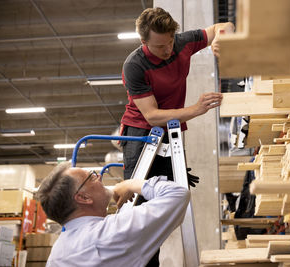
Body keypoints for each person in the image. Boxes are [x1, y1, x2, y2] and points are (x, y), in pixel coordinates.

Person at [120, 7, 234, 265]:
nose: (168, 49)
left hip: (170, 132)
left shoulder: (181, 43)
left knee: (166, 207)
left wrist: (223, 37)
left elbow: (222, 25)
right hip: (142, 136)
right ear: (143, 42)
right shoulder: (135, 65)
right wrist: (196, 109)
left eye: (170, 41)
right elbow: (151, 116)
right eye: (160, 46)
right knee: (141, 214)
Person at [37, 162, 190, 267]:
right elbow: (177, 194)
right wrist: (130, 184)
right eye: (91, 177)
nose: (99, 178)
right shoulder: (110, 232)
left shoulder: (56, 254)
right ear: (84, 198)